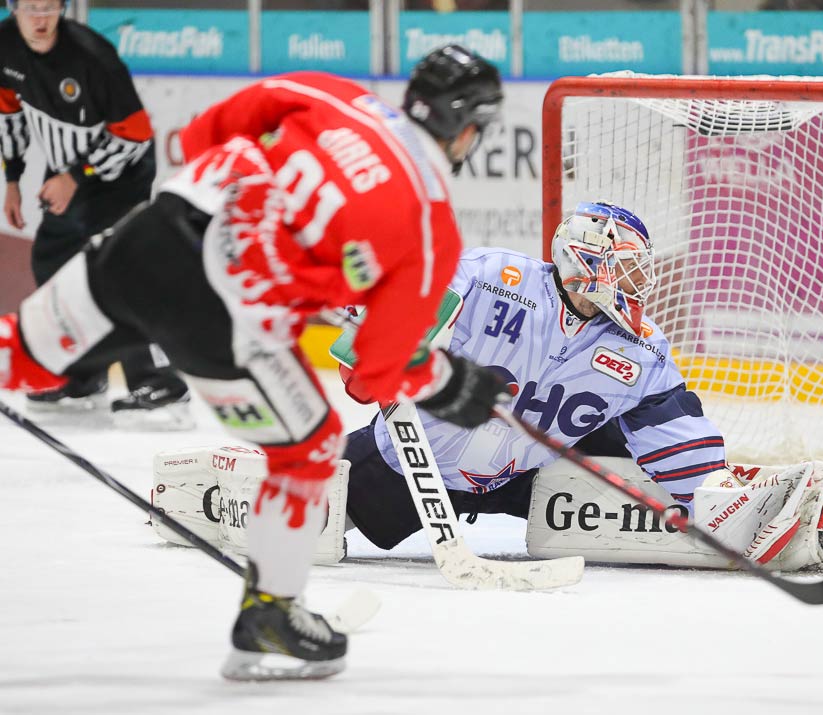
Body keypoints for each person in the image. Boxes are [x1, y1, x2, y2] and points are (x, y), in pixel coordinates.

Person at [0, 45, 511, 680]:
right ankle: (270, 613)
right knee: (312, 449)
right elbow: (380, 370)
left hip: (149, 237)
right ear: (468, 129)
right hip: (220, 316)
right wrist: (449, 382)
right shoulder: (430, 227)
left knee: (19, 355)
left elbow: (197, 137)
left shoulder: (332, 93)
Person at [335, 202, 823, 571]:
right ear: (585, 258)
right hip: (408, 461)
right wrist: (372, 343)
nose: (638, 283)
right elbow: (393, 299)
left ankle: (797, 517)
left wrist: (717, 497)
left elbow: (677, 437)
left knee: (642, 461)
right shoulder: (488, 278)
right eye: (626, 268)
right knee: (311, 516)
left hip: (531, 475)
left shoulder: (641, 349)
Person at [0, 0, 190, 425]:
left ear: (62, 8)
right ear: (13, 9)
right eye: (30, 8)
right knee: (52, 260)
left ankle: (160, 380)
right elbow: (8, 109)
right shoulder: (5, 47)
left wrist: (74, 175)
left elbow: (136, 135)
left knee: (124, 271)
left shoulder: (92, 57)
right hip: (69, 173)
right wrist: (13, 179)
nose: (40, 18)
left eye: (48, 7)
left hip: (121, 177)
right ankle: (85, 375)